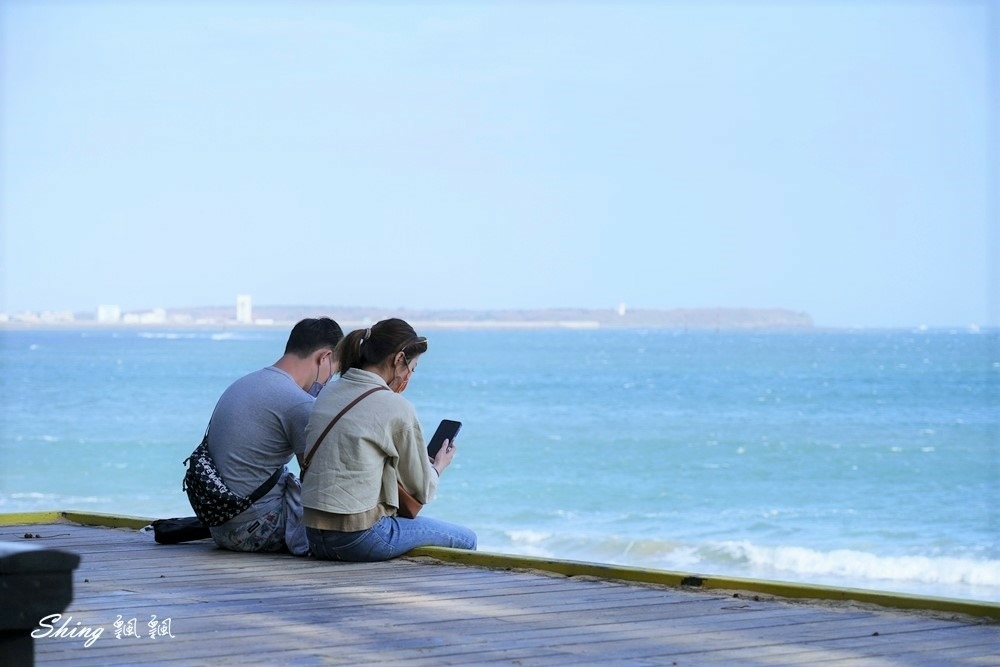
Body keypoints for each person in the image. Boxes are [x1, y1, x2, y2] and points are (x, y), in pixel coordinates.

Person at [301, 317, 477, 561]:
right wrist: (437, 467)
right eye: (412, 369)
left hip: (314, 535)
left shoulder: (330, 391)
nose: (409, 377)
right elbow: (422, 489)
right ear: (398, 360)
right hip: (358, 538)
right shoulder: (395, 406)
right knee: (467, 539)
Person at [204, 317, 344, 556]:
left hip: (218, 524)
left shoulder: (244, 382)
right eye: (332, 373)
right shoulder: (298, 403)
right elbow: (317, 482)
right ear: (324, 357)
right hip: (254, 532)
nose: (326, 382)